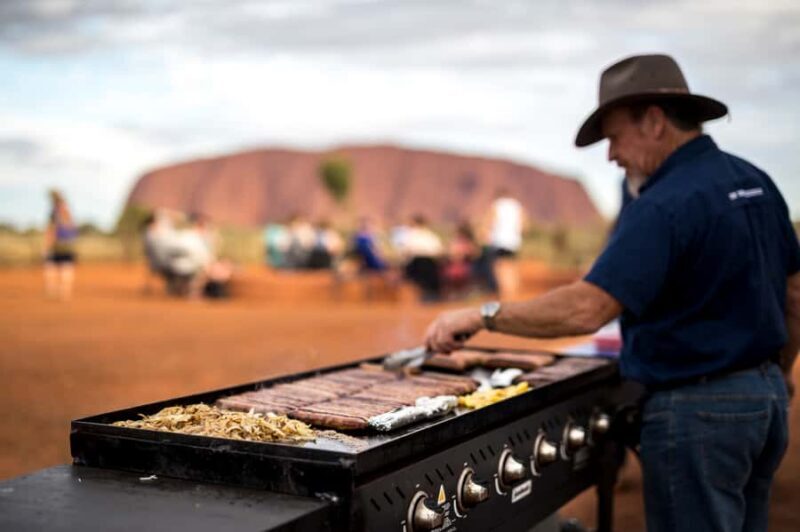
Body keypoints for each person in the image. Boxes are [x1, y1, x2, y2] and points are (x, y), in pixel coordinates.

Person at [424, 54, 800, 532]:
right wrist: (775, 375)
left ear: (654, 122)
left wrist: (484, 315)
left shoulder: (664, 203)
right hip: (763, 403)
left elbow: (588, 307)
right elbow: (794, 295)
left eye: (615, 137)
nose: (611, 155)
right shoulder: (757, 182)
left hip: (697, 412)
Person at [483, 188, 525, 300]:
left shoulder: (496, 205)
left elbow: (490, 221)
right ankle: (513, 293)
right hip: (514, 242)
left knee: (500, 266)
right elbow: (523, 224)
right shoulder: (517, 206)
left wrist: (486, 234)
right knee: (511, 266)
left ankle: (504, 295)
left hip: (499, 241)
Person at [43, 190, 78, 301]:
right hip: (68, 245)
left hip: (57, 245)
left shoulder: (55, 212)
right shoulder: (68, 212)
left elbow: (51, 229)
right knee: (66, 268)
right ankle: (65, 293)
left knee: (50, 267)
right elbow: (73, 229)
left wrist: (47, 245)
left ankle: (52, 291)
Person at [400, 215, 444, 302]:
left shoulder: (410, 235)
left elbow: (405, 252)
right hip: (430, 266)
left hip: (416, 266)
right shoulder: (431, 236)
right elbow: (439, 251)